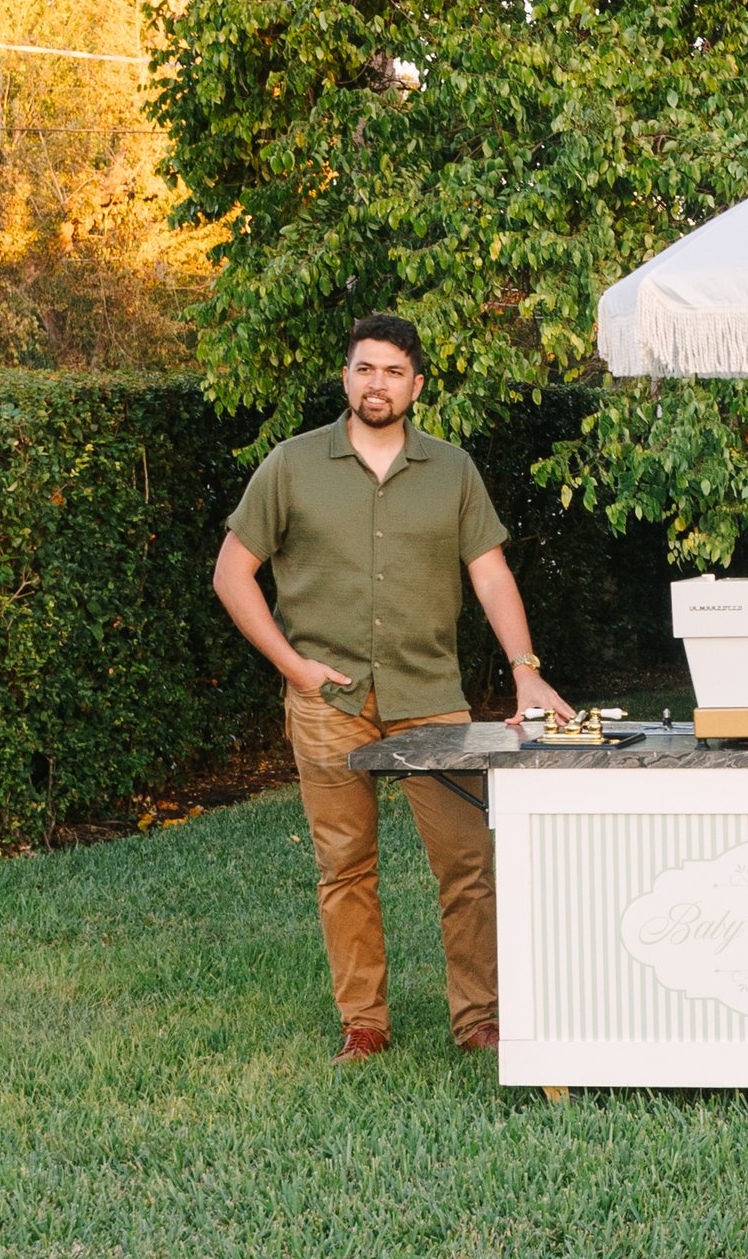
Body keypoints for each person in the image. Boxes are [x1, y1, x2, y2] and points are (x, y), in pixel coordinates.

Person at [213, 315, 571, 1061]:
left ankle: (479, 1020)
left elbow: (491, 573)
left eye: (393, 372)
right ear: (346, 376)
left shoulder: (453, 470)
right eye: (365, 369)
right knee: (345, 867)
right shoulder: (291, 465)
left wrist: (526, 666)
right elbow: (231, 573)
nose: (377, 384)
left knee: (467, 865)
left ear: (416, 384)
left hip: (431, 697)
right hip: (327, 700)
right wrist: (293, 666)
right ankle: (364, 1023)